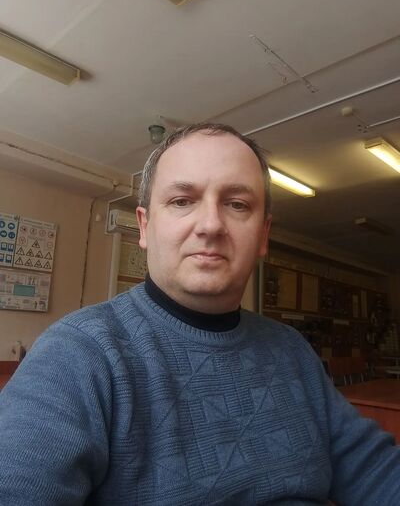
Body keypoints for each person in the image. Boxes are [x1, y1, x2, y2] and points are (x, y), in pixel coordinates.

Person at [0, 123, 399, 505]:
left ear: (263, 235)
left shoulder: (292, 350)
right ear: (144, 227)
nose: (210, 225)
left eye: (237, 204)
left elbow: (376, 470)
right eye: (182, 201)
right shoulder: (79, 352)